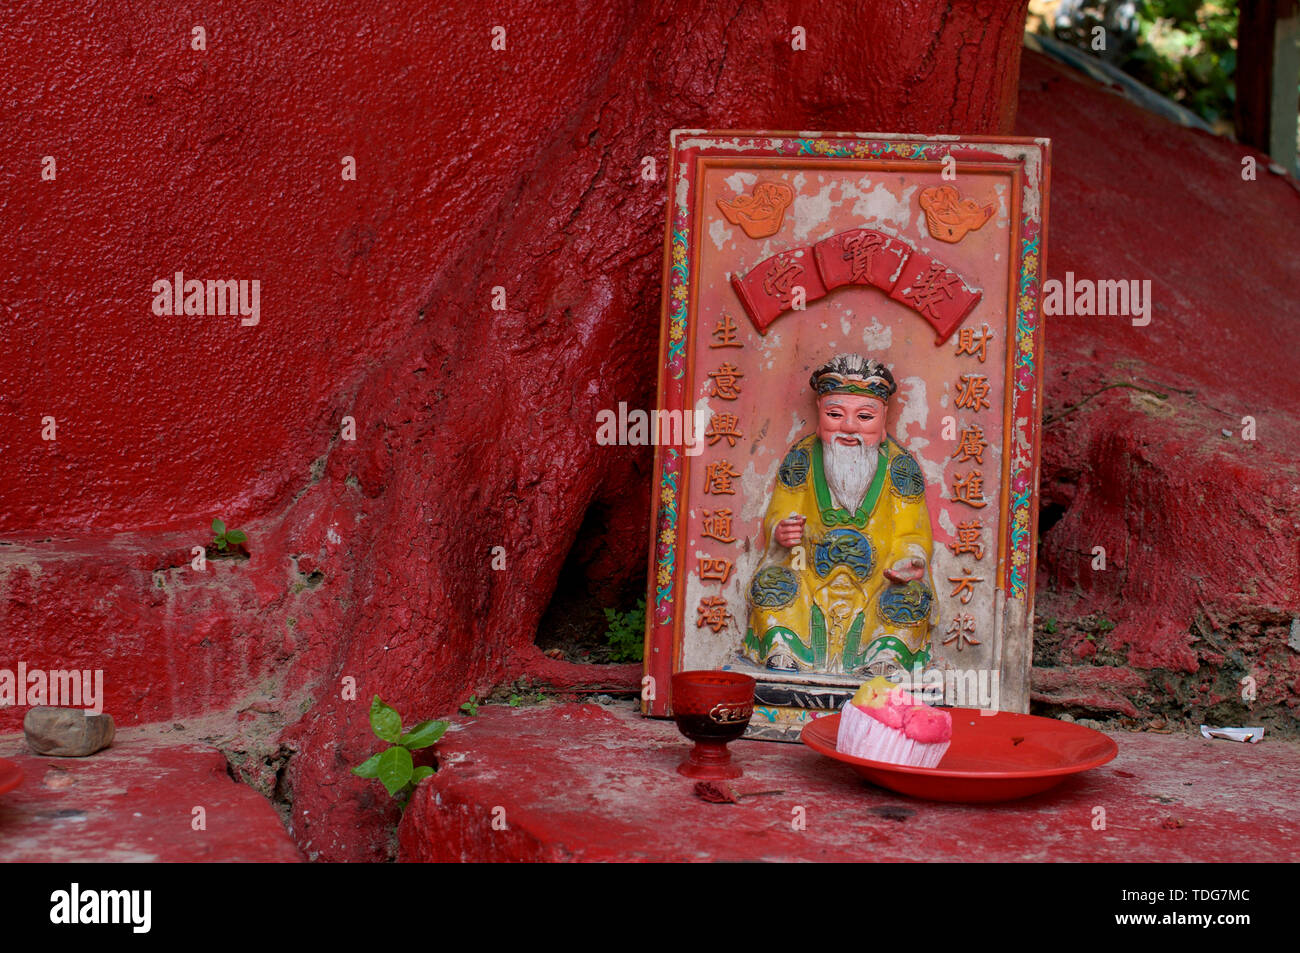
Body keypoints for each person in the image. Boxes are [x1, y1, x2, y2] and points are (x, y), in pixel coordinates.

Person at [742, 353, 937, 677]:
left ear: (883, 420)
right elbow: (781, 510)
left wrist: (911, 562)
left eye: (864, 417)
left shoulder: (899, 467)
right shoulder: (801, 459)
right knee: (771, 584)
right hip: (809, 577)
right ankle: (785, 650)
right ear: (820, 416)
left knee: (911, 597)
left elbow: (911, 533)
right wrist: (781, 531)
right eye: (835, 414)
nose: (848, 427)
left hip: (877, 581)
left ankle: (884, 655)